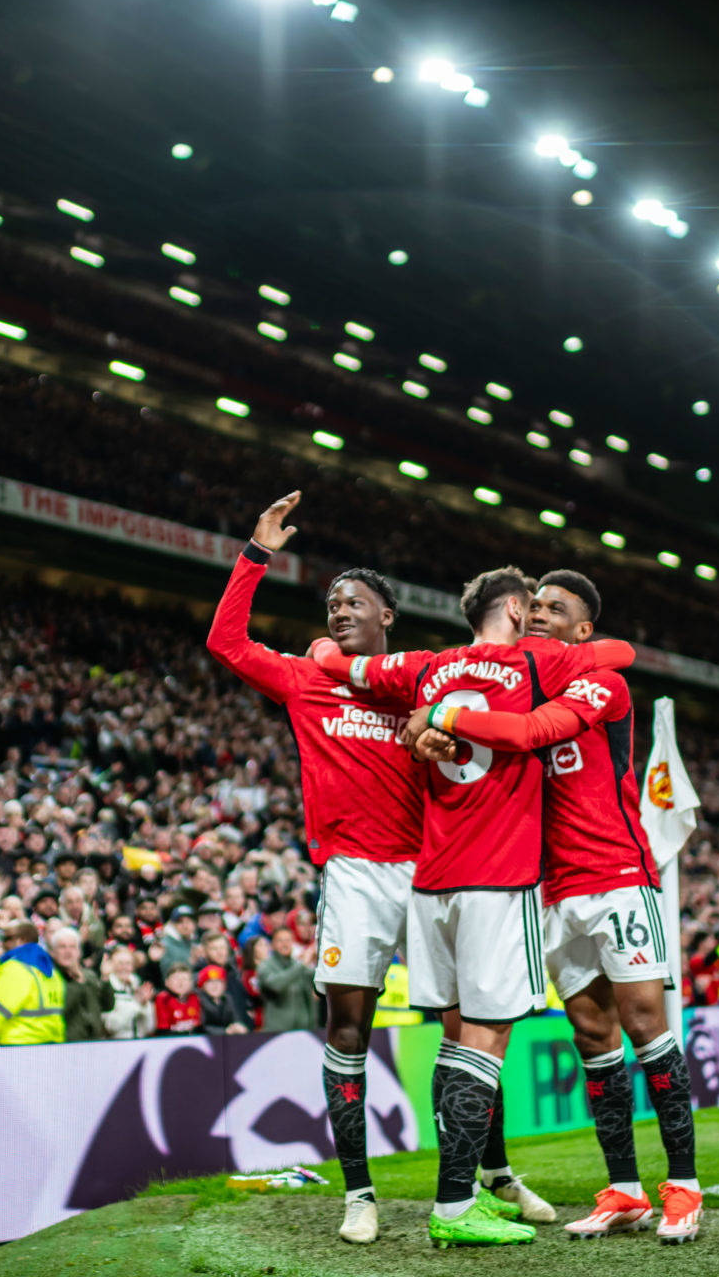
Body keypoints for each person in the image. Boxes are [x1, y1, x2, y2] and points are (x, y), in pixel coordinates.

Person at [318, 562, 635, 1246]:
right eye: (537, 608)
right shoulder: (534, 665)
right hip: (498, 876)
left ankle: (475, 1189)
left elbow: (346, 666)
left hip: (430, 880)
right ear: (519, 612)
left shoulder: (429, 667)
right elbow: (618, 655)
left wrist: (426, 715)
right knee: (487, 1042)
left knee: (457, 1040)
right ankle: (456, 1204)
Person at [410, 570, 702, 1241]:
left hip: (619, 874)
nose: (538, 615)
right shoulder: (517, 682)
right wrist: (426, 730)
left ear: (582, 629)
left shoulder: (603, 682)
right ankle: (625, 1188)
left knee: (645, 1023)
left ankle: (684, 1185)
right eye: (533, 605)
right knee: (593, 1037)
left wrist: (442, 713)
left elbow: (538, 730)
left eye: (555, 609)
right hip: (550, 888)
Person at [206, 491, 435, 1245]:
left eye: (356, 601)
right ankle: (359, 1193)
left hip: (431, 868)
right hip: (355, 874)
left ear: (387, 618)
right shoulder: (308, 680)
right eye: (334, 602)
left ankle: (488, 1179)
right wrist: (255, 555)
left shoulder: (417, 685)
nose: (340, 611)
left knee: (464, 1023)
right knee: (348, 1025)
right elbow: (228, 644)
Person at [0, 923, 65, 1046]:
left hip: (14, 1052)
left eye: (7, 939)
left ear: (21, 940)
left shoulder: (16, 969)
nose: (2, 944)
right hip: (47, 1051)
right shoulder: (51, 971)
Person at [50, 926, 113, 1042]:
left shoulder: (90, 976)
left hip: (94, 1042)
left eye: (73, 947)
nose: (68, 951)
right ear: (53, 952)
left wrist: (105, 979)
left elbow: (107, 1005)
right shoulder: (50, 978)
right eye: (62, 947)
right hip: (65, 1043)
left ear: (79, 952)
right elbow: (62, 1010)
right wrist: (77, 982)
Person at [249, 933, 318, 1032]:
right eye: (280, 941)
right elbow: (276, 985)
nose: (285, 944)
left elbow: (316, 978)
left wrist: (322, 959)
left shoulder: (297, 965)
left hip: (303, 1031)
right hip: (277, 1032)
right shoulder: (265, 966)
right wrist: (302, 965)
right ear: (272, 945)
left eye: (288, 941)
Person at [100, 942, 155, 1039]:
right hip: (115, 1045)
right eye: (120, 963)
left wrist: (145, 1005)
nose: (124, 967)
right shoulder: (106, 988)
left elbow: (149, 1028)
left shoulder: (137, 986)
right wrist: (136, 1004)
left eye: (128, 963)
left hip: (138, 1044)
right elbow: (111, 1027)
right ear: (111, 965)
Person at [196, 964, 250, 1034]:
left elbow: (236, 1018)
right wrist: (225, 1031)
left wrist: (238, 1026)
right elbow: (202, 1027)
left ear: (224, 985)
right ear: (203, 986)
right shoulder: (198, 1000)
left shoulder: (228, 999)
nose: (215, 986)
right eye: (210, 982)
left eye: (218, 981)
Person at [153, 963, 202, 1036]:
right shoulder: (163, 999)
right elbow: (163, 1030)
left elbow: (198, 1026)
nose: (180, 982)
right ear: (167, 982)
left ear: (191, 983)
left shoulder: (195, 998)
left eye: (184, 979)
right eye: (176, 978)